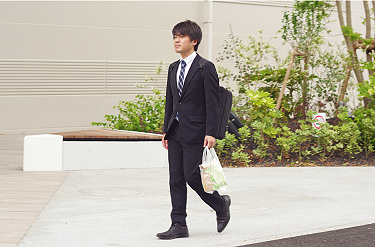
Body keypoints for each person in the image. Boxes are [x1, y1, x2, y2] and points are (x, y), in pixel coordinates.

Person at [156, 20, 231, 240]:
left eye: (181, 36)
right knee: (175, 179)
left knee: (192, 176)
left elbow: (213, 103)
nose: (177, 40)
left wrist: (211, 132)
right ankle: (178, 224)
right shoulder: (173, 68)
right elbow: (170, 101)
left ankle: (221, 203)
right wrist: (166, 130)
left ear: (194, 41)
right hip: (176, 130)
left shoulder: (204, 67)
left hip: (197, 131)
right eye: (174, 36)